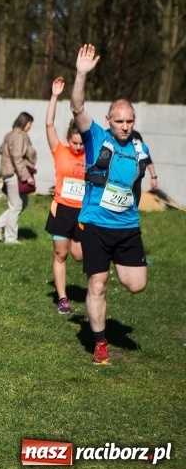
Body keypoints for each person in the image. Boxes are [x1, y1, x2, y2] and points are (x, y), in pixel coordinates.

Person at [70, 44, 149, 365]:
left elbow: (136, 186)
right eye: (119, 121)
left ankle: (108, 261)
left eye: (129, 121)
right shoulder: (96, 136)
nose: (125, 126)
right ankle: (100, 343)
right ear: (109, 120)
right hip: (96, 224)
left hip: (127, 227)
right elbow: (76, 106)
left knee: (136, 284)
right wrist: (81, 74)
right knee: (98, 284)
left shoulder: (140, 147)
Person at [44, 77, 86, 315]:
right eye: (75, 143)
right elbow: (49, 125)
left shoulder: (89, 154)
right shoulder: (60, 151)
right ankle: (62, 298)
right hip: (61, 209)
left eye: (81, 143)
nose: (78, 147)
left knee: (79, 255)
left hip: (83, 211)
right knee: (61, 254)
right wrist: (54, 96)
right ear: (68, 139)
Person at [0, 112, 37, 244]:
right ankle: (10, 238)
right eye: (29, 123)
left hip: (8, 173)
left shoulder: (9, 135)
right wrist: (26, 177)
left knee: (22, 203)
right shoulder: (20, 136)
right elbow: (17, 158)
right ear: (24, 122)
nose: (30, 126)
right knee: (16, 206)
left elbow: (0, 150)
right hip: (15, 175)